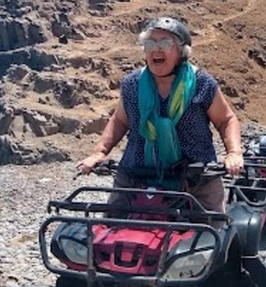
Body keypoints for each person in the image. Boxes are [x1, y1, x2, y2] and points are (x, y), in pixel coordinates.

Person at [77, 17, 243, 214]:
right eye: (150, 43)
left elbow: (226, 120)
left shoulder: (202, 83)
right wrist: (99, 152)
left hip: (195, 180)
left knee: (211, 234)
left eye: (165, 43)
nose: (157, 49)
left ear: (181, 52)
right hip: (135, 176)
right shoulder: (132, 84)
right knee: (110, 232)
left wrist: (234, 153)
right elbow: (120, 120)